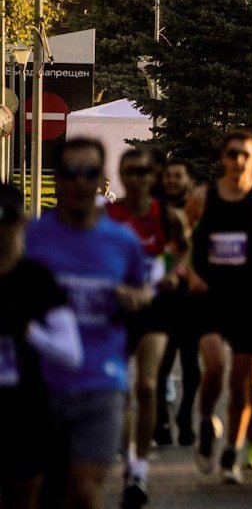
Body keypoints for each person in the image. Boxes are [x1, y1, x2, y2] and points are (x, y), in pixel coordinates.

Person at [26, 139, 151, 509]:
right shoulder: (33, 238)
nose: (80, 182)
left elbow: (142, 290)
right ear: (57, 179)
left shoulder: (122, 242)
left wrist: (135, 299)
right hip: (40, 387)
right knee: (41, 492)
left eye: (89, 173)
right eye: (70, 173)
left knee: (83, 491)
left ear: (101, 179)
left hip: (101, 381)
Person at [184, 130, 252, 484]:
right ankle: (207, 419)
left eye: (245, 154)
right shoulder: (203, 196)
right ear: (222, 157)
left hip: (247, 296)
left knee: (242, 382)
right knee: (214, 366)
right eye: (232, 153)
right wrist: (188, 271)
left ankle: (231, 453)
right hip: (209, 293)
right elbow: (181, 236)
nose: (238, 160)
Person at [107, 148, 188, 509]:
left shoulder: (166, 216)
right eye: (130, 172)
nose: (137, 178)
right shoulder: (109, 215)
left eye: (144, 172)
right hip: (118, 308)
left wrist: (173, 274)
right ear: (122, 176)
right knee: (122, 388)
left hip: (155, 307)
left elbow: (184, 250)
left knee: (148, 385)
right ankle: (129, 462)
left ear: (153, 176)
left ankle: (140, 468)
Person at [0, 183, 83, 509]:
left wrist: (29, 330)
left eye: (5, 219)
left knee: (22, 497)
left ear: (21, 222)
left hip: (27, 408)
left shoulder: (36, 279)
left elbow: (70, 353)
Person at [154, 160, 198, 449]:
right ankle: (160, 420)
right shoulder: (154, 209)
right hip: (161, 294)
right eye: (168, 176)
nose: (172, 180)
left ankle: (184, 417)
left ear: (187, 179)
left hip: (192, 295)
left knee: (191, 362)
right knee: (161, 362)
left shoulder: (198, 208)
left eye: (178, 176)